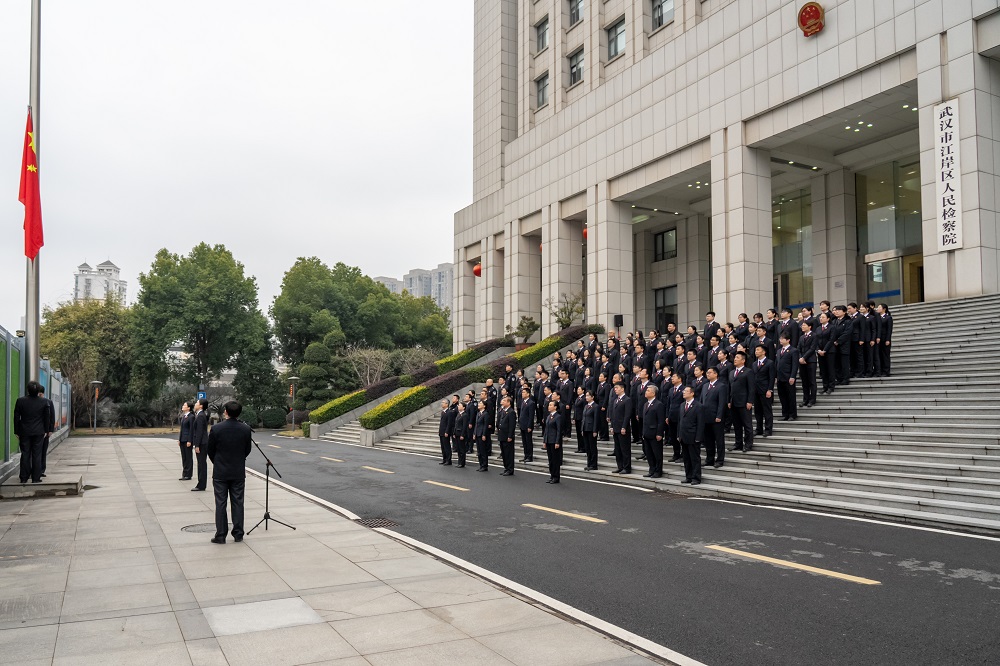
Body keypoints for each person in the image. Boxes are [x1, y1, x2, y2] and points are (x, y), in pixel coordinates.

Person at [206, 401, 253, 544]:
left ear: (225, 411)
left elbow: (210, 450)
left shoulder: (216, 429)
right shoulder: (246, 429)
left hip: (220, 471)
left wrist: (218, 462)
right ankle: (238, 533)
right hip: (237, 471)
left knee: (220, 503)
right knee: (238, 502)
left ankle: (220, 535)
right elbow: (247, 450)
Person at [13, 381, 50, 484]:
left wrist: (16, 431)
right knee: (37, 454)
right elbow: (47, 418)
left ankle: (24, 477)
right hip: (39, 432)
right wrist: (47, 430)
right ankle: (36, 478)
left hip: (24, 432)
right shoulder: (44, 402)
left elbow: (16, 417)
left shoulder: (20, 401)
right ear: (38, 391)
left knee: (25, 453)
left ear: (27, 390)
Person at [700, 367, 728, 468]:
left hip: (716, 417)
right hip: (706, 417)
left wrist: (719, 415)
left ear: (716, 374)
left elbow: (722, 403)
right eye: (707, 372)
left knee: (719, 440)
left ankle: (720, 459)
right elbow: (701, 401)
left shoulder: (721, 386)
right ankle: (709, 459)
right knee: (708, 440)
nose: (707, 374)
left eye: (710, 372)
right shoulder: (705, 386)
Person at [728, 351, 755, 453]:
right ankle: (738, 443)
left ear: (743, 360)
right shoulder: (731, 372)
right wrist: (729, 400)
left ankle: (748, 444)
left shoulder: (748, 372)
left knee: (747, 424)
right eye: (735, 357)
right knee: (737, 425)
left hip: (744, 402)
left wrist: (750, 401)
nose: (735, 359)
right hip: (733, 402)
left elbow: (751, 388)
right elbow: (729, 387)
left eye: (738, 357)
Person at [678, 386, 704, 485]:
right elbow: (680, 421)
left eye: (686, 391)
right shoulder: (682, 405)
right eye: (684, 391)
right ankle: (688, 476)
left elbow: (700, 423)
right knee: (686, 458)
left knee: (694, 458)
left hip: (693, 436)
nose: (684, 392)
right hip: (683, 436)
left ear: (692, 393)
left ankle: (696, 478)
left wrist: (698, 437)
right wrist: (678, 434)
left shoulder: (698, 406)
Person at [640, 385, 666, 478]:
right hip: (647, 433)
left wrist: (659, 433)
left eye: (648, 390)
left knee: (657, 454)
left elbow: (660, 421)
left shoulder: (658, 404)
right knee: (649, 453)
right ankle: (651, 469)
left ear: (653, 393)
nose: (646, 392)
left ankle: (658, 471)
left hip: (655, 433)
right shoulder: (646, 404)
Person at [751, 344, 776, 437]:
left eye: (758, 350)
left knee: (767, 411)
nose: (756, 352)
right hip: (756, 391)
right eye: (755, 350)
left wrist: (770, 389)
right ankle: (759, 429)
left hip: (765, 390)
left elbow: (771, 377)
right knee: (757, 411)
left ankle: (768, 429)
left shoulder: (769, 363)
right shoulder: (754, 364)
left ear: (764, 352)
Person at [609, 382, 632, 474]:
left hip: (623, 428)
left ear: (622, 389)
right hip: (615, 428)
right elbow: (613, 415)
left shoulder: (627, 400)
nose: (615, 389)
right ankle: (620, 466)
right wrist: (611, 426)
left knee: (625, 449)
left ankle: (627, 467)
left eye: (617, 388)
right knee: (617, 449)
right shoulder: (615, 400)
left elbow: (627, 415)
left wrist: (624, 427)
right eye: (615, 388)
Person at [775, 333, 799, 421]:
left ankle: (792, 414)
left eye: (782, 338)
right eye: (780, 338)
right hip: (780, 377)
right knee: (782, 396)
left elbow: (795, 365)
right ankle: (785, 414)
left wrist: (793, 376)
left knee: (791, 396)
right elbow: (776, 364)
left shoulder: (793, 350)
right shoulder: (778, 351)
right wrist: (776, 376)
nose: (780, 340)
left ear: (788, 340)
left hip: (788, 376)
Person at [664, 372, 686, 463]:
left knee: (680, 436)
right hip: (671, 416)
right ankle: (676, 454)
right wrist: (667, 416)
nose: (672, 379)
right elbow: (668, 404)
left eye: (674, 377)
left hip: (680, 416)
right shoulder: (671, 390)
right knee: (673, 437)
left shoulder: (684, 389)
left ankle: (683, 455)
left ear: (680, 379)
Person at [542, 400, 563, 484]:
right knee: (550, 459)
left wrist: (557, 442)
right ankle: (552, 475)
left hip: (554, 441)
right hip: (548, 440)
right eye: (549, 405)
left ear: (555, 407)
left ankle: (556, 477)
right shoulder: (548, 416)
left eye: (551, 405)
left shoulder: (558, 417)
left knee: (555, 460)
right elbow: (546, 430)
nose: (549, 406)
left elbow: (559, 430)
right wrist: (544, 440)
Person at [191, 398, 210, 490]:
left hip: (202, 443)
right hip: (202, 442)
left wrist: (197, 445)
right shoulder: (200, 415)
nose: (195, 404)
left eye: (197, 403)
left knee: (201, 464)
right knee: (201, 463)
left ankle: (201, 484)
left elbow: (199, 432)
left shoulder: (201, 416)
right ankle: (201, 483)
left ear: (201, 406)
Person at [798, 322, 818, 408]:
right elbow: (798, 348)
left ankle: (812, 400)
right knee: (804, 381)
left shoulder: (814, 335)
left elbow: (812, 348)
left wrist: (804, 358)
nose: (802, 327)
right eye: (802, 325)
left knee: (811, 381)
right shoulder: (801, 337)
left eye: (804, 325)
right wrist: (800, 358)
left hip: (811, 360)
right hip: (802, 361)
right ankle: (805, 399)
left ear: (809, 327)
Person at [36, 385, 54, 478]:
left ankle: (42, 470)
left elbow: (52, 417)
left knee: (43, 451)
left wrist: (50, 430)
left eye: (41, 394)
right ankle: (34, 470)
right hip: (36, 431)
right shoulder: (32, 402)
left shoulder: (48, 402)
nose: (39, 395)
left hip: (45, 432)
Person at [497, 396, 517, 476]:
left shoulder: (511, 412)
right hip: (502, 435)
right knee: (504, 453)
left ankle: (510, 469)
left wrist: (510, 436)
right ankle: (506, 468)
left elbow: (512, 425)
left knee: (509, 453)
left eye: (505, 400)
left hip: (507, 436)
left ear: (509, 402)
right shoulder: (503, 411)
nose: (503, 401)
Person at [582, 390, 599, 471]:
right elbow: (584, 418)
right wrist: (582, 428)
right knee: (587, 447)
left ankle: (594, 464)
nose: (586, 397)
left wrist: (595, 430)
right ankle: (589, 463)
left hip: (591, 429)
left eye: (588, 395)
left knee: (592, 447)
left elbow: (596, 419)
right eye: (586, 395)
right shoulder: (586, 406)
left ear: (592, 397)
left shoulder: (595, 406)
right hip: (585, 428)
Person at [178, 401, 194, 481]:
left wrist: (189, 440)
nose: (183, 406)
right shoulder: (184, 416)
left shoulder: (191, 417)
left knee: (188, 457)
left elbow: (191, 430)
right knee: (184, 457)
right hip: (182, 439)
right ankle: (184, 473)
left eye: (185, 405)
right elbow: (182, 429)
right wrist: (179, 439)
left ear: (189, 408)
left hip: (187, 440)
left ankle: (188, 474)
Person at [474, 400, 492, 472]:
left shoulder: (486, 414)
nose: (479, 405)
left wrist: (484, 434)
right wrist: (474, 433)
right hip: (477, 433)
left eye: (480, 404)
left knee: (483, 451)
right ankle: (481, 464)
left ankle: (485, 465)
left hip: (482, 434)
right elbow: (476, 424)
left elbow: (485, 425)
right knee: (479, 451)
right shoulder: (478, 413)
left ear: (484, 406)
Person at [518, 387, 535, 462]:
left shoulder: (531, 403)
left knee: (528, 441)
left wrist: (529, 426)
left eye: (524, 392)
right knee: (524, 441)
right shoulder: (523, 401)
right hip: (522, 424)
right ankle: (525, 455)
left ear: (528, 394)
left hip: (527, 425)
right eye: (522, 392)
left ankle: (529, 456)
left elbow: (531, 416)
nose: (522, 394)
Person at [877, 303, 893, 376]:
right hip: (878, 340)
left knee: (885, 355)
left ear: (884, 309)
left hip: (885, 339)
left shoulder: (888, 318)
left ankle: (886, 371)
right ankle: (880, 370)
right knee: (879, 355)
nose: (877, 308)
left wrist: (888, 340)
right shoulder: (877, 317)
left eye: (879, 307)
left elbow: (889, 330)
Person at [437, 400, 455, 466]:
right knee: (443, 447)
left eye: (443, 403)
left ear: (447, 404)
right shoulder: (443, 412)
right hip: (441, 431)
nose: (442, 404)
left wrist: (447, 431)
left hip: (446, 432)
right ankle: (444, 459)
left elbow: (449, 423)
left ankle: (448, 460)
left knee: (447, 446)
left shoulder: (449, 412)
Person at [452, 401, 469, 468]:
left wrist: (462, 434)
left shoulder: (465, 415)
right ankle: (459, 461)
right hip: (457, 433)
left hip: (461, 433)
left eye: (460, 405)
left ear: (464, 407)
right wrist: (454, 432)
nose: (458, 406)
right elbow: (456, 425)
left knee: (462, 449)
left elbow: (465, 426)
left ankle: (462, 462)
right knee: (458, 449)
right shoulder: (458, 414)